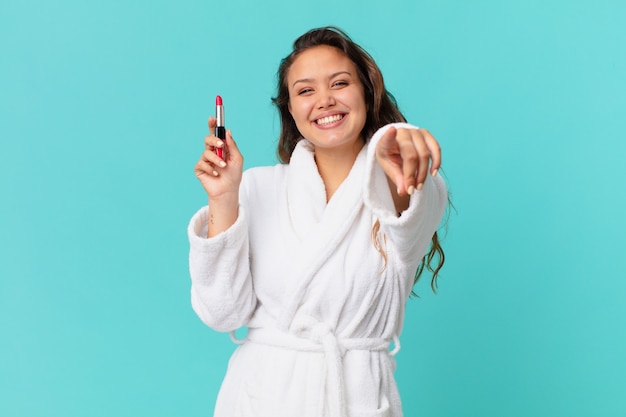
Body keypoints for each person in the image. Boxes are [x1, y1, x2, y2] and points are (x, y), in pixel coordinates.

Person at [188, 26, 448, 417]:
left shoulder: (402, 184)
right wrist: (224, 199)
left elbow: (409, 206)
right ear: (290, 109)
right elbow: (222, 313)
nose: (325, 101)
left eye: (340, 83)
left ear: (366, 92)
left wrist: (399, 145)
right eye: (305, 90)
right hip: (261, 397)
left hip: (356, 397)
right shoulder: (257, 188)